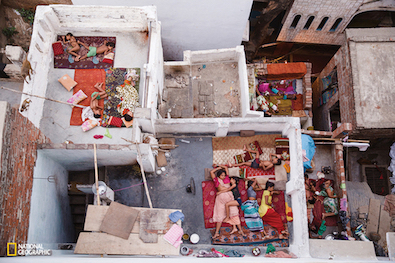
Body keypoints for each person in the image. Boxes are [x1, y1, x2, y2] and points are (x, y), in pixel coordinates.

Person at [211, 165, 245, 239]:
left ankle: (238, 229)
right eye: (221, 175)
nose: (223, 176)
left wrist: (221, 166)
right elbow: (211, 172)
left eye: (224, 175)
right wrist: (218, 168)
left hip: (229, 198)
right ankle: (216, 233)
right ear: (218, 175)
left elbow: (226, 168)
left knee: (234, 213)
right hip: (220, 199)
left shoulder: (227, 179)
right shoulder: (216, 180)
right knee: (219, 215)